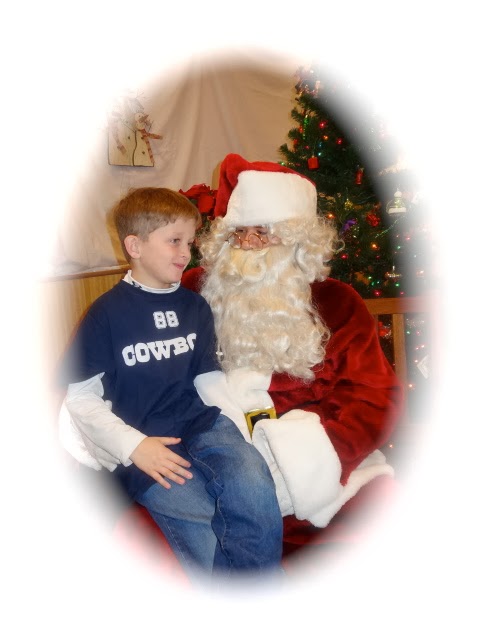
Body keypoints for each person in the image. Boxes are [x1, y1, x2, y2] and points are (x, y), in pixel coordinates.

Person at [57, 186, 283, 583]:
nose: (186, 253)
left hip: (201, 425)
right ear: (135, 246)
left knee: (253, 483)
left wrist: (241, 429)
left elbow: (208, 379)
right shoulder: (105, 314)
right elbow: (80, 400)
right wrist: (134, 446)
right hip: (144, 441)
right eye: (174, 241)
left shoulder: (195, 306)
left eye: (190, 243)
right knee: (204, 519)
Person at [181, 153, 404, 528]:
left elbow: (374, 396)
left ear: (298, 239)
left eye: (263, 232)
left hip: (320, 466)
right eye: (238, 232)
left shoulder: (337, 302)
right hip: (213, 460)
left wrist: (307, 459)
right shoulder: (195, 290)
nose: (248, 244)